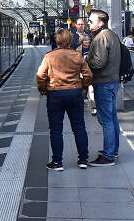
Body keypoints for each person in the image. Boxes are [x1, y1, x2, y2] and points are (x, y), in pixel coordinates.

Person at [36, 29, 92, 171]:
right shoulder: (77, 55)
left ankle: (57, 162)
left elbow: (40, 75)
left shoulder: (50, 56)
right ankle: (83, 160)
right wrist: (83, 87)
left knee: (56, 129)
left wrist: (43, 90)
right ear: (71, 40)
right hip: (75, 93)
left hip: (55, 94)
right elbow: (88, 75)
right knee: (79, 127)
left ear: (57, 40)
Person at [86, 9, 121, 166]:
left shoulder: (101, 38)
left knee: (106, 120)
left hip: (104, 82)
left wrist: (86, 62)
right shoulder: (112, 34)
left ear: (100, 22)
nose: (89, 23)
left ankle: (108, 156)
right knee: (112, 118)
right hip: (113, 81)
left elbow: (99, 63)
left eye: (91, 21)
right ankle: (113, 150)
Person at [77, 36, 96, 116]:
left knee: (92, 91)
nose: (87, 41)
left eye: (88, 40)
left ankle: (94, 109)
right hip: (82, 74)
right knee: (83, 92)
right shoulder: (78, 50)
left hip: (91, 73)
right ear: (81, 41)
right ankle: (79, 108)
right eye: (85, 40)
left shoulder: (93, 48)